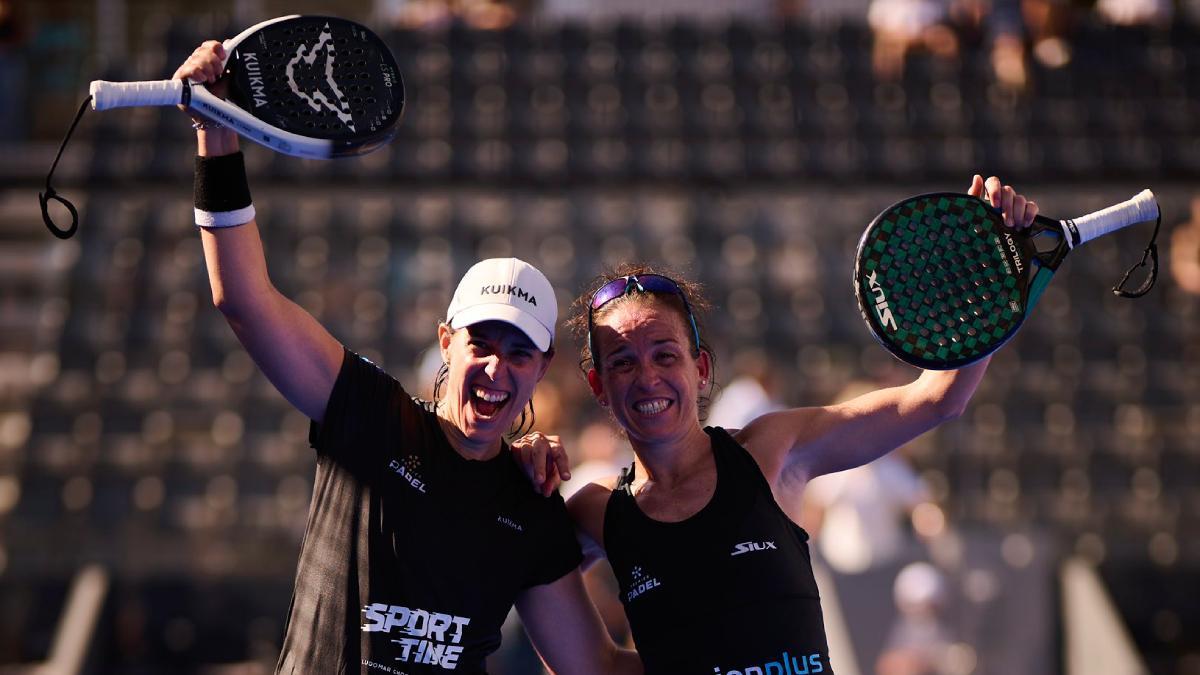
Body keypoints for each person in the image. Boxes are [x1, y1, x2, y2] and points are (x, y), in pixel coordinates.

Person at [173, 41, 640, 675]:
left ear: (543, 366)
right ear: (446, 341)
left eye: (519, 353)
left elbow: (597, 669)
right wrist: (217, 135)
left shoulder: (532, 504)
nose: (498, 370)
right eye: (481, 344)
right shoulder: (370, 413)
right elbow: (245, 300)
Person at [517, 176, 1038, 674]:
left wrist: (988, 271)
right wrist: (516, 465)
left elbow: (936, 399)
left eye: (664, 354)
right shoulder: (596, 511)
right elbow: (574, 647)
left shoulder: (773, 450)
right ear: (598, 386)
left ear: (700, 369)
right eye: (623, 362)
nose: (647, 377)